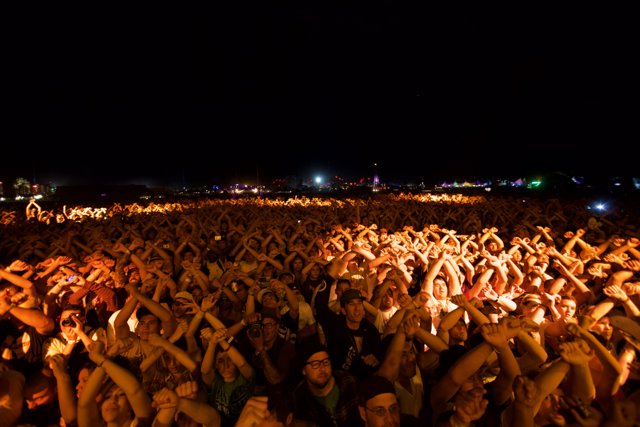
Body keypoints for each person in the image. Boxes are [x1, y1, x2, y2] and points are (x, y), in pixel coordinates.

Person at [292, 340, 361, 427]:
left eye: (326, 362)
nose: (322, 368)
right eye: (315, 364)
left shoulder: (350, 383)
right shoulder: (299, 399)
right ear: (304, 370)